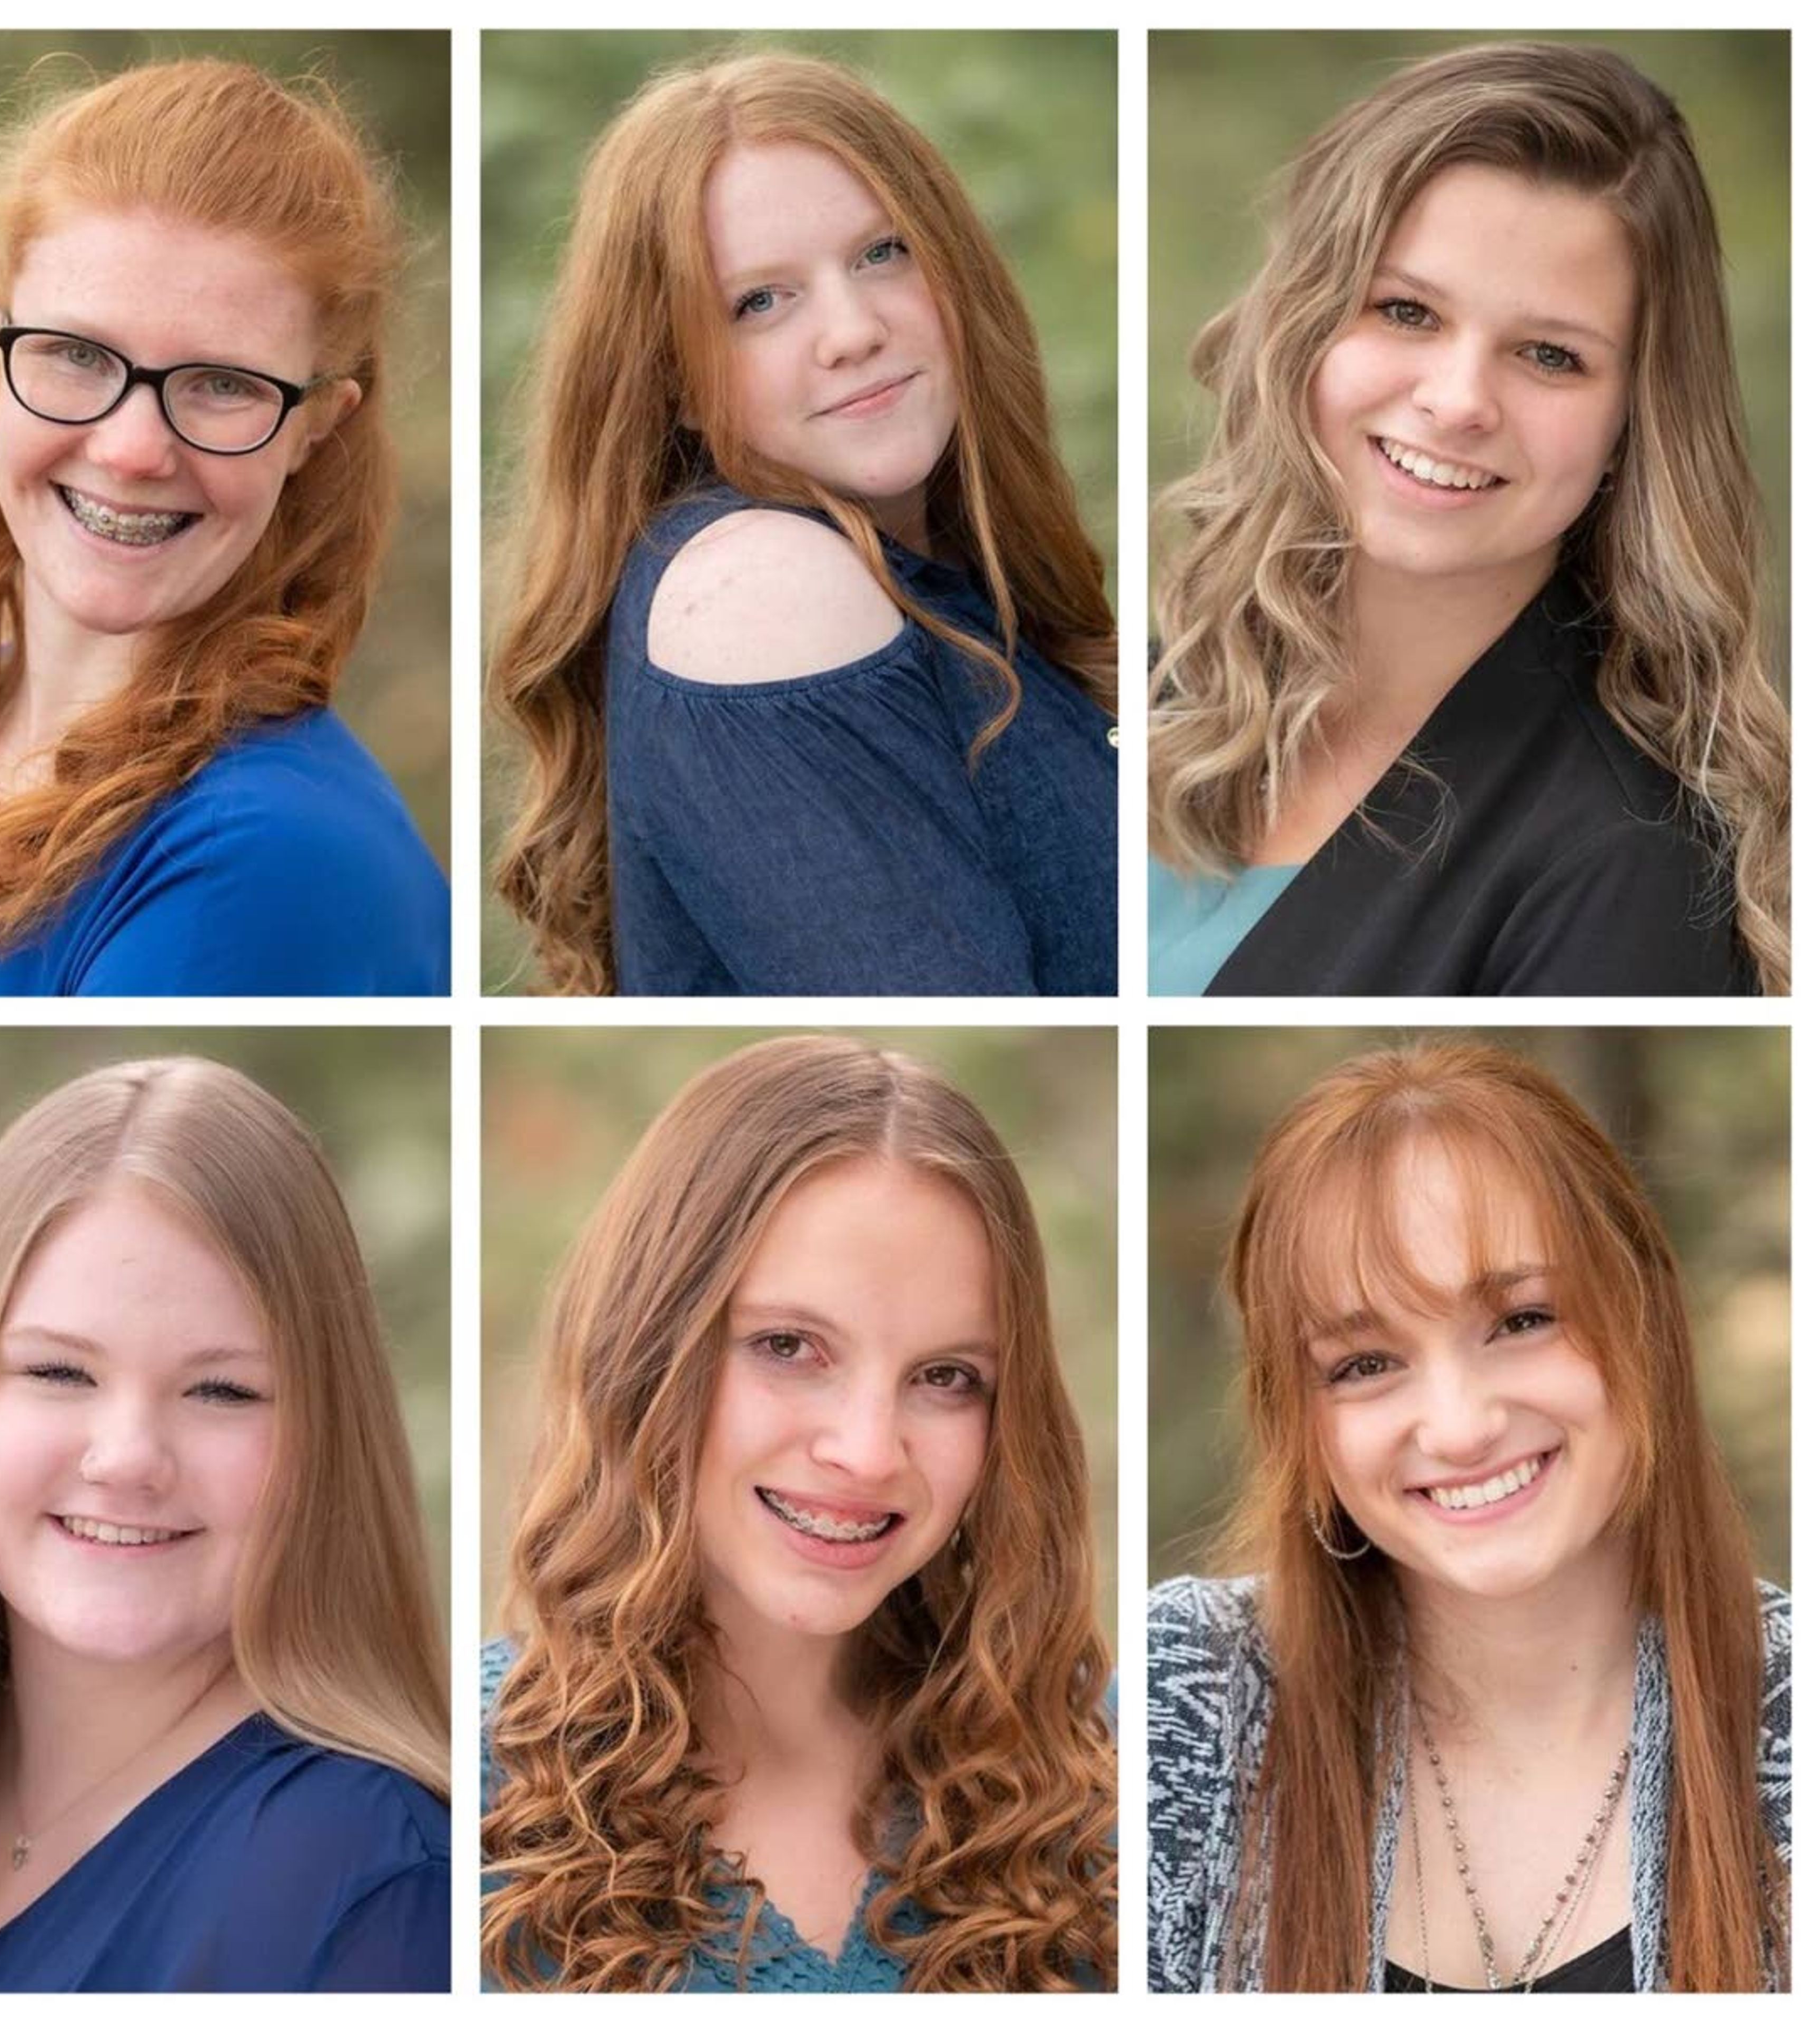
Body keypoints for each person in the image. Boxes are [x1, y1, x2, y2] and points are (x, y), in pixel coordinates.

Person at [1148, 1039, 1789, 1991]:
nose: (1459, 1428)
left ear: (1646, 1320)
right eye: (1365, 1364)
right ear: (1299, 1422)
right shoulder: (1188, 1707)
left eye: (1523, 1320)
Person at [1149, 42, 1789, 996]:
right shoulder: (1162, 676)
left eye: (1550, 355)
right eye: (1407, 312)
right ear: (1304, 326)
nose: (1457, 402)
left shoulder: (1624, 870)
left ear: (1633, 422)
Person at [482, 1036, 1115, 1989]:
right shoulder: (453, 1786)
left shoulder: (1109, 1779)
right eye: (788, 1346)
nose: (866, 1450)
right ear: (650, 1347)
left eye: (947, 1378)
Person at [489, 52, 1117, 996]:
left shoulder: (939, 577)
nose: (852, 329)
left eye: (882, 253)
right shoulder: (764, 594)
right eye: (759, 303)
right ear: (676, 383)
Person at [0, 60, 448, 995]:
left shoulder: (271, 861)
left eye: (222, 384)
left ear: (317, 426)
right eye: (77, 355)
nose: (130, 450)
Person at [0, 1058, 450, 1990]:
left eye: (221, 1390)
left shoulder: (363, 1887)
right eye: (58, 1373)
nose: (125, 1458)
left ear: (325, 1441)